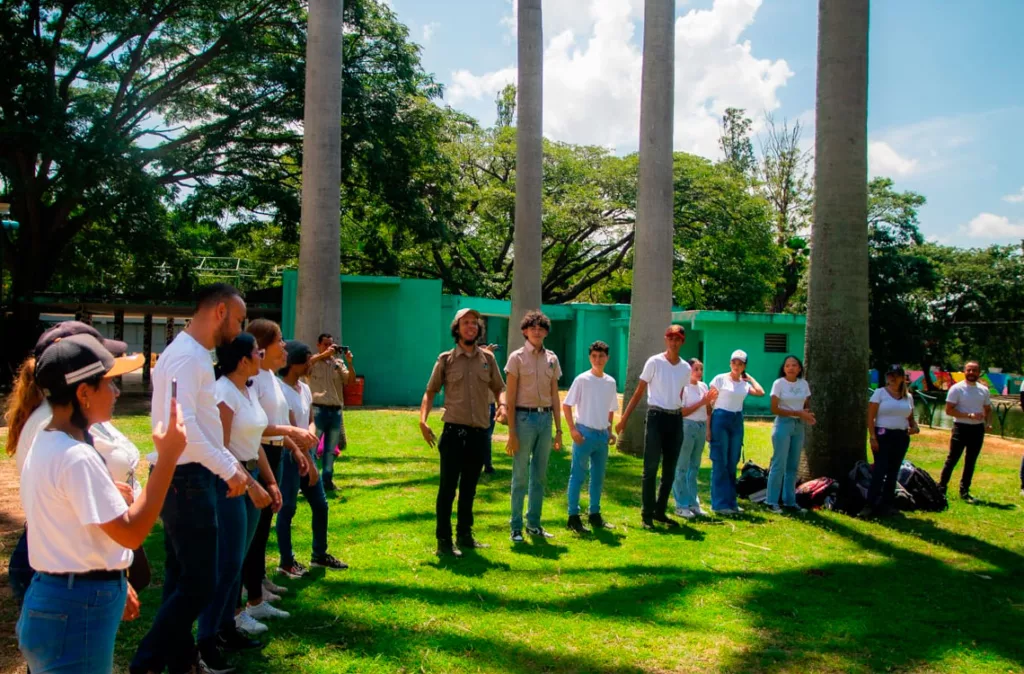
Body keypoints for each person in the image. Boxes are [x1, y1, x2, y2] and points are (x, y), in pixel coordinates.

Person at [17, 333, 186, 673]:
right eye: (108, 384)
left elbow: (77, 535)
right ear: (83, 393)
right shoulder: (77, 456)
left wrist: (114, 579)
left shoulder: (49, 441)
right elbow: (132, 534)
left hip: (59, 596)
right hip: (77, 604)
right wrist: (167, 458)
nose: (116, 392)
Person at [131, 283, 253, 674]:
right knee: (200, 582)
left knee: (182, 576)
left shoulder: (193, 355)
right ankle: (147, 663)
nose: (239, 327)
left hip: (187, 476)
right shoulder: (188, 357)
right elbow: (184, 432)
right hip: (187, 477)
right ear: (219, 311)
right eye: (238, 318)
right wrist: (230, 468)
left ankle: (182, 661)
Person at [5, 321, 136, 605]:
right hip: (66, 572)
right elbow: (54, 500)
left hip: (72, 569)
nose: (114, 387)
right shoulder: (54, 427)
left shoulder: (65, 423)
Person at [195, 333, 274, 671]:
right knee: (226, 564)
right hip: (230, 482)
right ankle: (206, 639)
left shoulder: (248, 388)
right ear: (243, 360)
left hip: (249, 476)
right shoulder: (224, 391)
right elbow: (221, 445)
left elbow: (254, 440)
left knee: (236, 561)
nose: (262, 355)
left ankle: (226, 626)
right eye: (257, 351)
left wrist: (268, 479)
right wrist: (252, 483)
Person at [240, 319, 318, 625]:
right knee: (255, 529)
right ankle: (251, 591)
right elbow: (254, 427)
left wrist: (295, 448)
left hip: (273, 452)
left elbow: (273, 422)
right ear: (262, 346)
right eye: (280, 341)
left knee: (263, 525)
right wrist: (290, 436)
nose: (285, 346)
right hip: (257, 454)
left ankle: (258, 582)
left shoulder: (270, 377)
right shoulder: (253, 379)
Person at [420, 308, 506, 557]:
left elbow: (499, 387)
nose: (471, 326)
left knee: (469, 488)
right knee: (448, 488)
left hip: (479, 433)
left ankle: (465, 535)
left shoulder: (487, 359)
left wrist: (502, 405)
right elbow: (430, 391)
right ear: (457, 329)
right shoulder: (446, 359)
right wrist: (422, 421)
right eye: (466, 323)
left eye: (475, 323)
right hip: (453, 433)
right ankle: (444, 541)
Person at [277, 340, 348, 579]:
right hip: (288, 455)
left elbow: (309, 418)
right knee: (287, 508)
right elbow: (286, 426)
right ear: (294, 363)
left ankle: (319, 555)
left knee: (320, 504)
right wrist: (303, 448)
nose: (311, 364)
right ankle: (286, 561)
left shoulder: (304, 388)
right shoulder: (279, 389)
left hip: (307, 453)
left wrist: (310, 434)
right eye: (307, 360)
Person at [617, 324, 692, 529]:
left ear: (682, 342)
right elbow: (639, 391)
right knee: (650, 467)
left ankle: (660, 512)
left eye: (677, 339)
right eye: (670, 338)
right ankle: (646, 514)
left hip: (675, 419)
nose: (673, 342)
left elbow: (680, 394)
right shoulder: (655, 362)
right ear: (665, 339)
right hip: (656, 416)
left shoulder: (686, 368)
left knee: (669, 470)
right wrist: (624, 419)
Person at [505, 310, 563, 542]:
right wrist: (511, 432)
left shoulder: (552, 359)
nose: (537, 331)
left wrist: (558, 430)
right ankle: (516, 527)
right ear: (525, 331)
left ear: (546, 331)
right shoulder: (516, 358)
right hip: (523, 419)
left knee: (539, 477)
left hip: (545, 420)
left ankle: (534, 524)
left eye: (541, 328)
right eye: (533, 328)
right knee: (520, 476)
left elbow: (555, 395)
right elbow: (509, 399)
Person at [562, 341, 619, 534]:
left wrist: (610, 430)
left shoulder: (610, 382)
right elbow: (566, 405)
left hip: (602, 435)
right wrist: (572, 430)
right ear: (589, 358)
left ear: (607, 358)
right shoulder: (582, 380)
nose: (598, 359)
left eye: (601, 356)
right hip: (584, 433)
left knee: (598, 477)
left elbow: (611, 409)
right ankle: (573, 516)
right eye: (594, 356)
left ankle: (595, 513)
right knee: (577, 476)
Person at [708, 350, 766, 516]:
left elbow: (761, 392)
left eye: (740, 363)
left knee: (732, 462)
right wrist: (708, 427)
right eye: (734, 362)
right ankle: (719, 504)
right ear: (730, 363)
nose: (736, 366)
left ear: (744, 366)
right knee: (720, 461)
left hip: (736, 420)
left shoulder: (744, 383)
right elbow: (710, 403)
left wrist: (750, 378)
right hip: (721, 417)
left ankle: (731, 502)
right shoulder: (720, 379)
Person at [862, 364, 920, 518]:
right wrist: (872, 436)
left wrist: (914, 427)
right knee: (879, 471)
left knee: (893, 472)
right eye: (889, 376)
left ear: (902, 378)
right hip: (883, 434)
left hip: (900, 436)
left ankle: (887, 505)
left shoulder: (908, 397)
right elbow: (871, 417)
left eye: (895, 376)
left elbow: (910, 418)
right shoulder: (880, 393)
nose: (892, 379)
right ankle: (870, 504)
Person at [765, 356, 816, 514]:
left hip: (799, 425)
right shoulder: (779, 383)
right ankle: (771, 501)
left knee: (793, 466)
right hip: (783, 424)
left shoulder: (803, 384)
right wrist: (796, 412)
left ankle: (790, 501)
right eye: (787, 365)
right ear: (784, 368)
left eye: (794, 365)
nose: (791, 368)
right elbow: (774, 409)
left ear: (799, 368)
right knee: (779, 464)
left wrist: (806, 414)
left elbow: (806, 404)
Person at [938, 361, 992, 503]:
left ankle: (964, 491)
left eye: (974, 370)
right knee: (952, 459)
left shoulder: (983, 390)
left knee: (971, 461)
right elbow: (949, 410)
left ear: (979, 372)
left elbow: (988, 408)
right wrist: (968, 416)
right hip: (961, 428)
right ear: (964, 371)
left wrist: (989, 422)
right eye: (969, 370)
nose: (971, 373)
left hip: (977, 429)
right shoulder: (957, 389)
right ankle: (941, 489)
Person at [308, 333, 356, 492]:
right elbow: (303, 368)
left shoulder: (338, 363)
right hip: (317, 409)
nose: (329, 348)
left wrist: (350, 363)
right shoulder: (313, 361)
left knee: (330, 450)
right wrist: (323, 355)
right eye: (325, 344)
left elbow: (350, 381)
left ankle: (327, 481)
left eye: (332, 345)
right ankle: (309, 481)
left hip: (335, 410)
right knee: (312, 447)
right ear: (318, 345)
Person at [672, 358, 717, 519]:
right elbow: (682, 412)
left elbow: (707, 409)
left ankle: (693, 503)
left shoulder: (703, 386)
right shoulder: (683, 388)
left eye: (700, 369)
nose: (698, 372)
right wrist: (702, 402)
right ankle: (681, 504)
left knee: (694, 466)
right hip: (687, 426)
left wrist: (708, 428)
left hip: (700, 426)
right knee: (682, 466)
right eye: (695, 369)